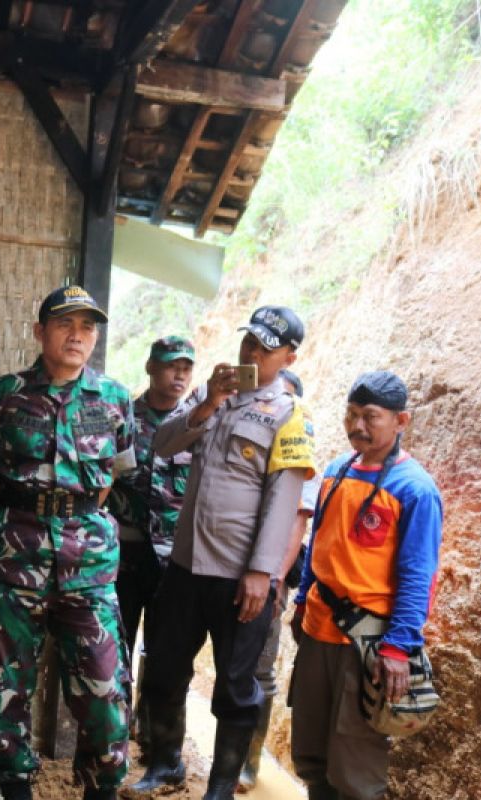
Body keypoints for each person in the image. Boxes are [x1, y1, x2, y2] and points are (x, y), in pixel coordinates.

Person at [134, 306, 315, 800]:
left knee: (236, 690)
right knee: (165, 669)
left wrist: (262, 572)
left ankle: (219, 788)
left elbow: (284, 499)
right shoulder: (212, 394)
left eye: (265, 346)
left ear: (288, 356)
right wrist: (208, 402)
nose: (252, 352)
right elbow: (164, 445)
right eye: (249, 341)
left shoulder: (288, 414)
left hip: (239, 577)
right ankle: (166, 765)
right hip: (185, 566)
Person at [0, 285, 136, 800]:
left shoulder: (114, 399)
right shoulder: (4, 395)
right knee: (6, 684)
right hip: (15, 558)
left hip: (89, 567)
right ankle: (14, 787)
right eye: (66, 324)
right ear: (40, 331)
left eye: (88, 327)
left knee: (104, 688)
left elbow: (112, 475)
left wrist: (73, 515)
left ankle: (102, 787)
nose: (78, 336)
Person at [290, 371, 443, 800]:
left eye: (370, 416)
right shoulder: (337, 470)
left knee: (355, 766)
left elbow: (419, 576)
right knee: (311, 753)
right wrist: (303, 601)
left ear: (401, 421)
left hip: (369, 644)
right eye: (351, 414)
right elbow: (318, 542)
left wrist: (399, 647)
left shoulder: (414, 489)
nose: (357, 425)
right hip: (318, 632)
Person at [106, 335, 195, 782]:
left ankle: (165, 759)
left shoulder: (197, 423)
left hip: (174, 562)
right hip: (126, 553)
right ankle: (112, 752)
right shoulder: (124, 416)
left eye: (186, 368)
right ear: (150, 367)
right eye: (169, 366)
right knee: (113, 657)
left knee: (168, 661)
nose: (178, 375)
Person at [237, 368, 322, 793]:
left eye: (283, 398)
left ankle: (247, 763)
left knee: (260, 672)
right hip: (229, 566)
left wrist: (273, 580)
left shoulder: (299, 452)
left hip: (269, 577)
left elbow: (296, 526)